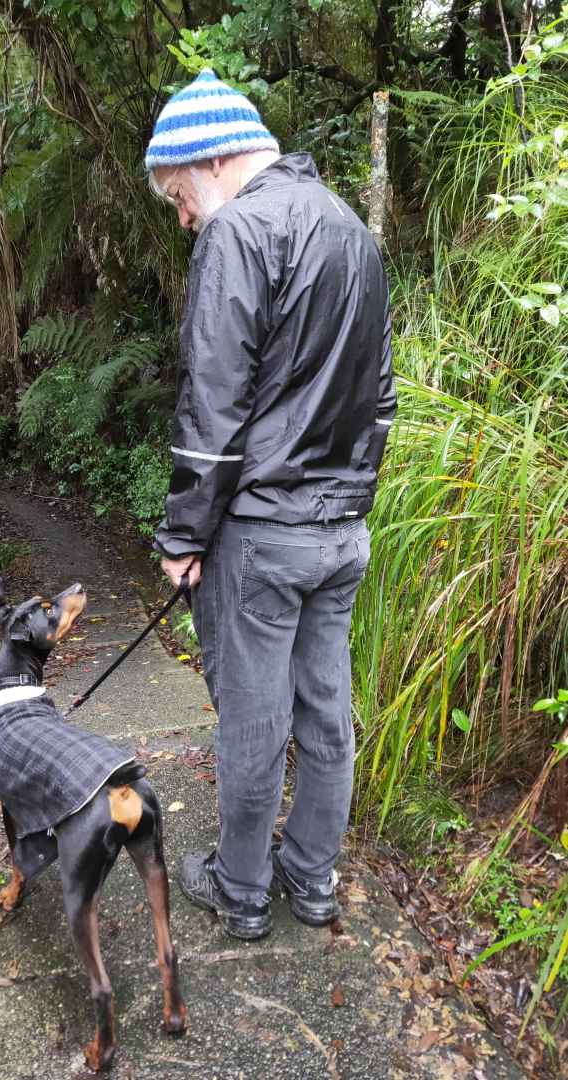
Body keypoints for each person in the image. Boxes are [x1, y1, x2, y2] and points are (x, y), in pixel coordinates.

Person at [146, 69, 396, 940]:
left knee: (252, 721)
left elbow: (212, 411)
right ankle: (312, 880)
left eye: (179, 196)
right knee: (327, 714)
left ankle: (243, 891)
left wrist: (183, 536)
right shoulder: (350, 232)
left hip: (260, 537)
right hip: (340, 533)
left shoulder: (238, 235)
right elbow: (381, 395)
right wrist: (348, 496)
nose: (183, 218)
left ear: (212, 160)